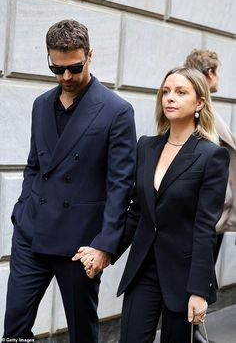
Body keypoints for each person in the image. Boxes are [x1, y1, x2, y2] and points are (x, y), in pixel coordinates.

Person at [2, 19, 136, 343]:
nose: (65, 77)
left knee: (82, 334)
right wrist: (21, 211)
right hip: (32, 232)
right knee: (14, 330)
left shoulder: (116, 111)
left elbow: (121, 186)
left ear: (90, 55)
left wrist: (105, 245)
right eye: (57, 68)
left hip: (81, 244)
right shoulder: (40, 105)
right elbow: (34, 166)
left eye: (74, 67)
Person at [115, 67, 229, 343]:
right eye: (166, 91)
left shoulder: (211, 156)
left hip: (183, 276)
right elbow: (137, 211)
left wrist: (199, 290)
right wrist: (105, 251)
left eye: (180, 92)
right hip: (142, 269)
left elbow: (205, 229)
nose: (170, 98)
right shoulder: (146, 147)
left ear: (199, 102)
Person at [184, 49, 236, 343]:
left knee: (202, 274)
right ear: (209, 74)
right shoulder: (200, 113)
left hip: (216, 212)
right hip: (206, 214)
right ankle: (191, 334)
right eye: (216, 71)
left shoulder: (209, 110)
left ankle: (192, 332)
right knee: (198, 274)